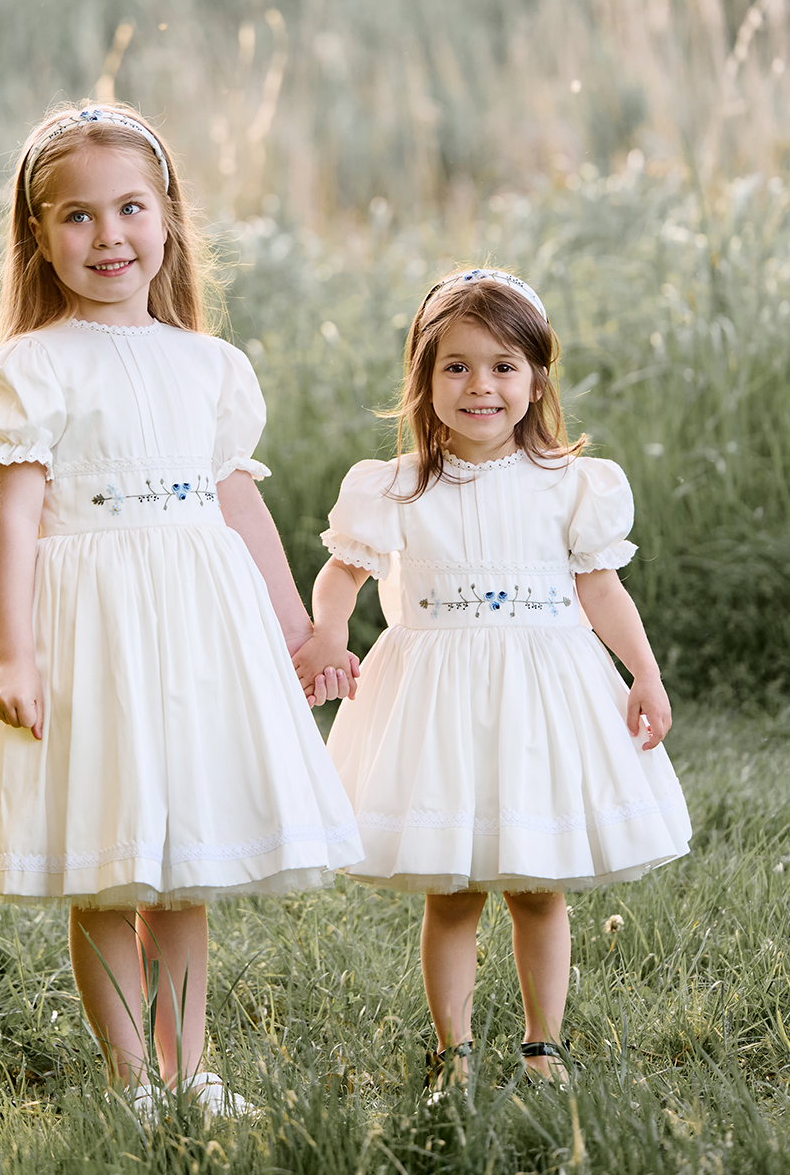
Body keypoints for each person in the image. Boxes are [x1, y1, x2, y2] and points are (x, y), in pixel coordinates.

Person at [0, 102, 362, 1110]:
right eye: (74, 215)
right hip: (93, 624)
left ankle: (186, 1071)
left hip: (198, 620)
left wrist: (295, 630)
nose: (107, 235)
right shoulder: (32, 366)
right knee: (111, 859)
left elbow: (238, 504)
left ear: (168, 214)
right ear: (36, 234)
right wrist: (15, 655)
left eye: (129, 207)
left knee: (185, 869)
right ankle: (133, 1081)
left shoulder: (209, 365)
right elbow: (14, 524)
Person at [293, 268, 691, 1084]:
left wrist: (643, 673)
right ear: (423, 377)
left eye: (504, 366)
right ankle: (455, 1050)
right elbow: (342, 574)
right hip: (437, 700)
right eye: (457, 367)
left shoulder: (572, 484)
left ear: (537, 376)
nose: (481, 387)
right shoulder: (395, 486)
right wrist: (330, 632)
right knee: (455, 886)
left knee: (540, 884)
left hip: (542, 696)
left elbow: (601, 589)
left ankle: (545, 1046)